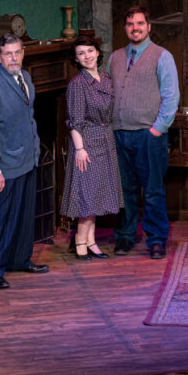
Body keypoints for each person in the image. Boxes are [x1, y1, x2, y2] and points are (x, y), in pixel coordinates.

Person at [0, 33, 49, 290]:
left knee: (25, 215)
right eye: (8, 53)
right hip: (6, 165)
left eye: (17, 52)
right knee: (3, 217)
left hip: (28, 159)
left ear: (23, 53)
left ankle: (19, 259)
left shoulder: (25, 78)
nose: (13, 58)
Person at [108, 5, 180, 259]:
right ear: (125, 27)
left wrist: (157, 131)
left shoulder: (162, 56)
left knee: (152, 190)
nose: (135, 28)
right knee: (125, 190)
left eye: (140, 23)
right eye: (130, 24)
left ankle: (157, 239)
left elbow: (171, 98)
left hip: (148, 135)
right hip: (119, 134)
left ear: (149, 27)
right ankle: (125, 236)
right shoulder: (115, 57)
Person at [60, 36, 122, 259]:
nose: (86, 56)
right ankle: (80, 242)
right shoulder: (77, 85)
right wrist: (79, 149)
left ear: (97, 52)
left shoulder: (105, 77)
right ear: (76, 59)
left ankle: (91, 241)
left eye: (89, 51)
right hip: (86, 144)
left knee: (96, 195)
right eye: (81, 54)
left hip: (105, 140)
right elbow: (74, 121)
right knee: (86, 196)